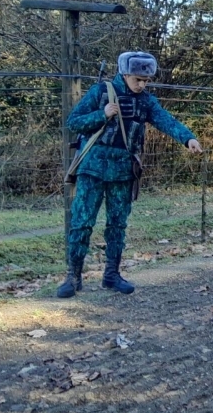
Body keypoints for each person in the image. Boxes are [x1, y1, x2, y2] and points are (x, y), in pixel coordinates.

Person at [56, 51, 202, 298]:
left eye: (146, 80)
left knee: (117, 225)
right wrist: (102, 114)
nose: (142, 84)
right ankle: (73, 277)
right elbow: (73, 122)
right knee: (82, 223)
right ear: (125, 74)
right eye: (138, 79)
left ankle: (111, 275)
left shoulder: (146, 101)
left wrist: (188, 138)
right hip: (92, 168)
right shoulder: (101, 91)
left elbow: (166, 120)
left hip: (124, 170)